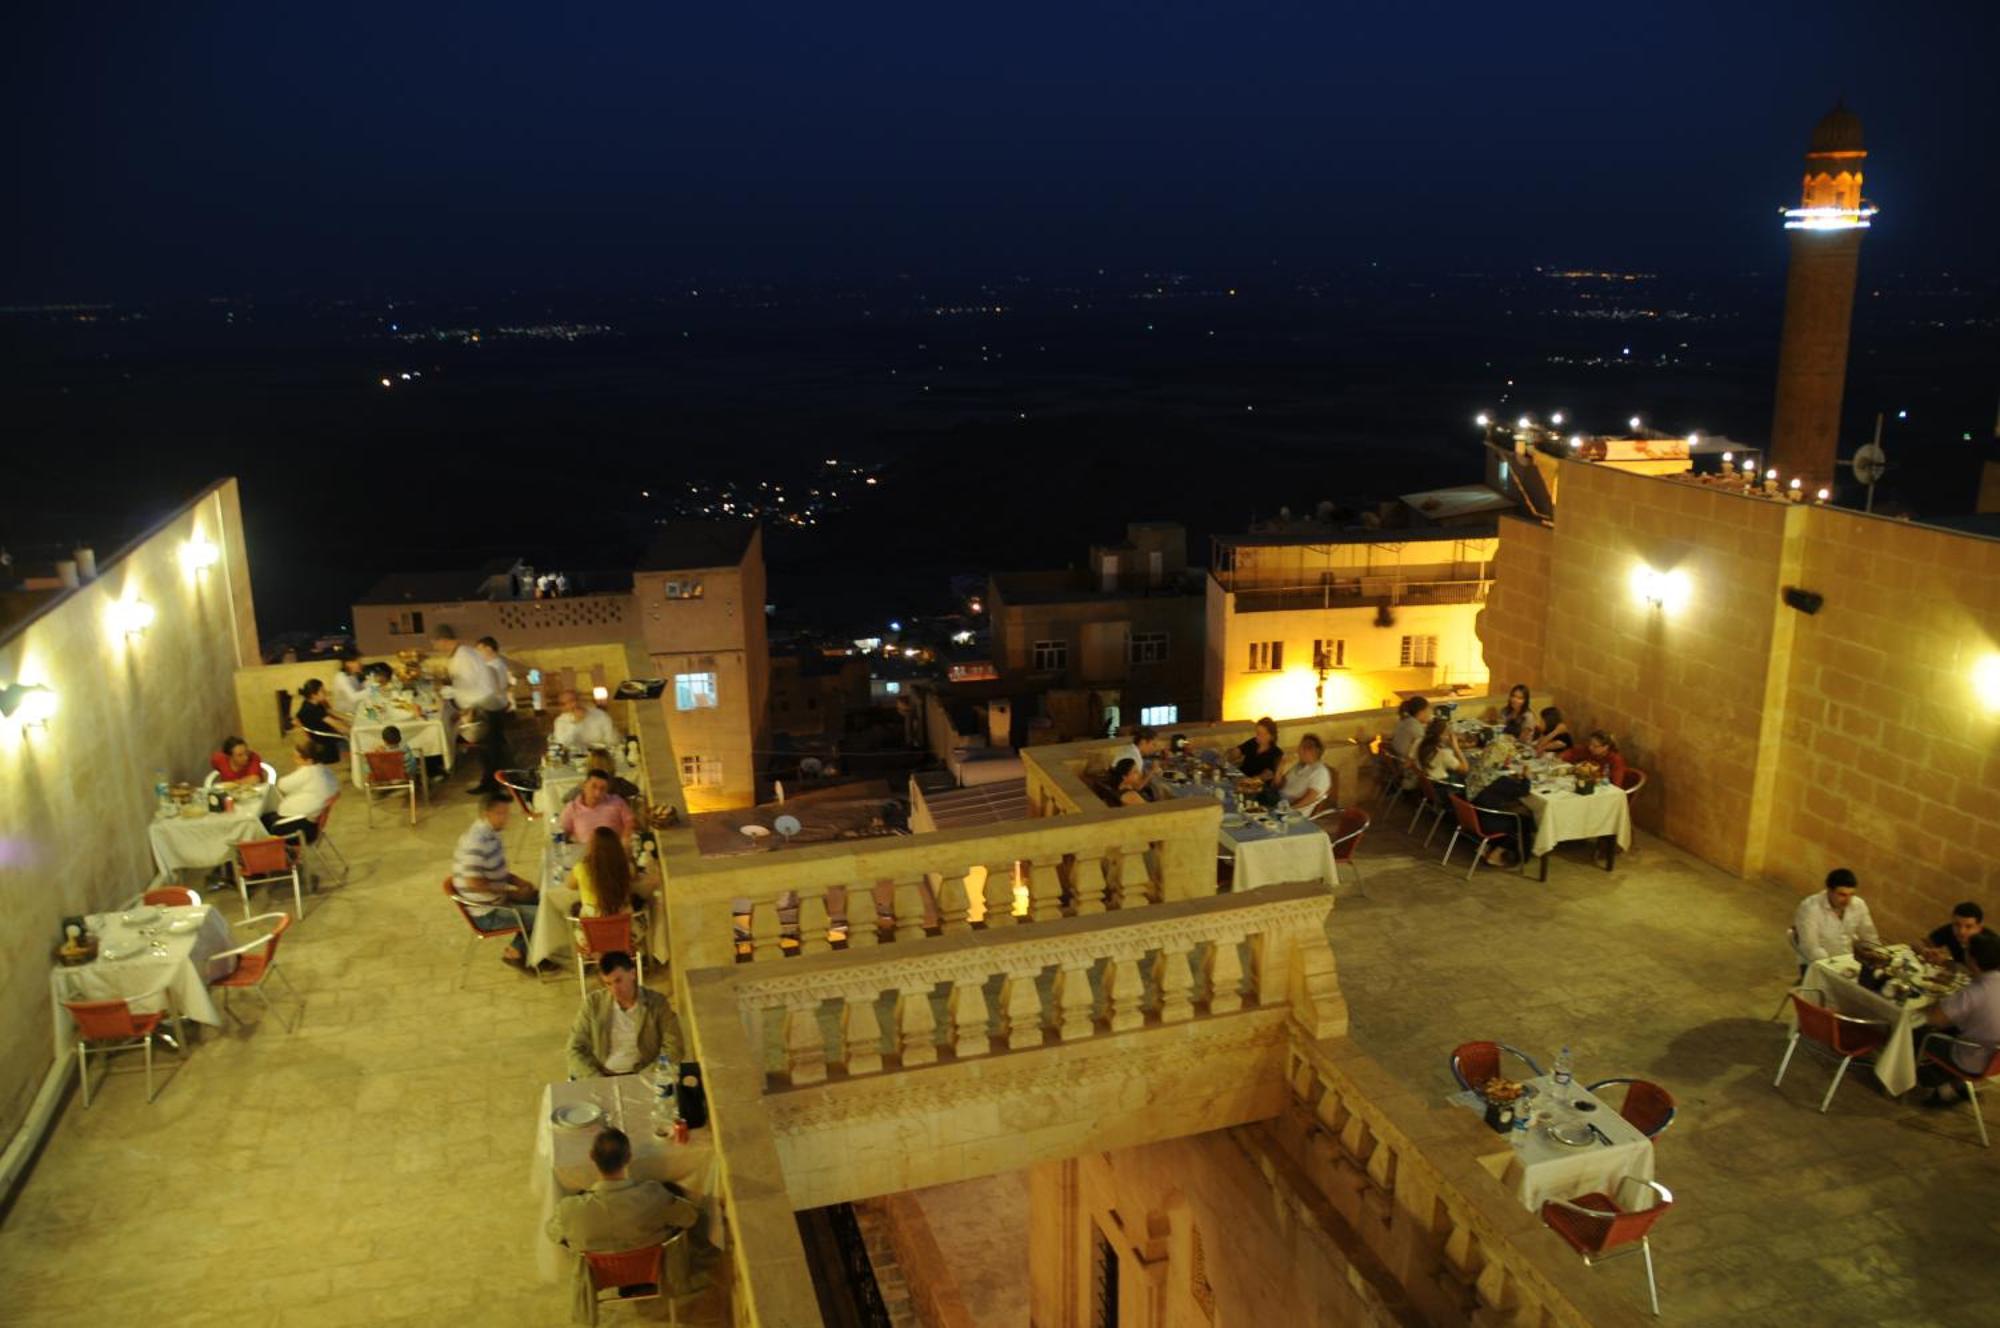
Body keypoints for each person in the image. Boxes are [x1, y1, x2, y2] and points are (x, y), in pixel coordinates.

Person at [545, 1127, 700, 1310]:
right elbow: (690, 1218)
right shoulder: (653, 1195)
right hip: (650, 1267)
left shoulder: (570, 1209)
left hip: (600, 1275)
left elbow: (553, 1233)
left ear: (592, 1156)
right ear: (629, 1158)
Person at [452, 792, 540, 968]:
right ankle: (517, 952)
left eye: (507, 813)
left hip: (496, 898)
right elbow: (474, 883)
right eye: (501, 814)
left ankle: (527, 947)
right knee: (544, 916)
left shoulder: (491, 834)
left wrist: (519, 883)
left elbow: (497, 870)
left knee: (542, 898)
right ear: (486, 814)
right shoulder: (476, 842)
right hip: (487, 912)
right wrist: (511, 894)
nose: (507, 818)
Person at [566, 951, 683, 1078]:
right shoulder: (593, 1004)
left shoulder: (656, 1003)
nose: (614, 990)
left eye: (618, 981)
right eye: (608, 983)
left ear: (632, 974)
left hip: (644, 1074)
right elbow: (574, 1048)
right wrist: (594, 1077)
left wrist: (648, 1075)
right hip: (602, 1074)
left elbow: (674, 1047)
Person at [1917, 930, 2000, 1109]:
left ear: (1973, 959)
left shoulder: (1975, 992)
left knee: (1918, 1032)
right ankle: (1956, 1086)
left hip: (1970, 1058)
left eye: (1967, 950)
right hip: (1994, 1058)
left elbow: (1935, 1019)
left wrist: (1929, 1004)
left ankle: (1932, 1084)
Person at [435, 627, 508, 793]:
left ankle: (495, 786)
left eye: (437, 643)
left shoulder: (464, 656)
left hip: (484, 705)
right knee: (489, 750)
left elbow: (469, 685)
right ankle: (491, 783)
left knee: (490, 750)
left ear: (444, 640)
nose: (437, 647)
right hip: (482, 704)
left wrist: (450, 691)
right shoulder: (461, 654)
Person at [1792, 869, 1880, 969]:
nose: (1847, 901)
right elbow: (1811, 948)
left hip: (1847, 961)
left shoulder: (1858, 904)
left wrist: (1878, 955)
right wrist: (1834, 968)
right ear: (1829, 891)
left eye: (1851, 894)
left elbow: (1869, 936)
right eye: (1842, 895)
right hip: (1815, 964)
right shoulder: (1810, 908)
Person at [263, 741, 339, 841]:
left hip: (302, 827)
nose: (294, 760)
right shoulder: (325, 770)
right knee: (268, 817)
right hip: (313, 823)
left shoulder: (307, 772)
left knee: (262, 822)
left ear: (309, 761)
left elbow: (282, 785)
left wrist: (299, 769)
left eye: (297, 757)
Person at [561, 769, 637, 848]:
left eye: (602, 789)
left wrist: (625, 838)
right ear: (584, 785)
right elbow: (563, 833)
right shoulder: (572, 808)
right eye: (593, 787)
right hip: (586, 853)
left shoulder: (616, 801)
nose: (597, 793)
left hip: (614, 850)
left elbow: (630, 822)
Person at [570, 826, 635, 917]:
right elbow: (633, 879)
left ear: (592, 847)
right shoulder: (627, 867)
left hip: (592, 923)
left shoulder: (581, 868)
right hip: (622, 924)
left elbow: (570, 885)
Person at [1922, 902, 1996, 967]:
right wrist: (1929, 951)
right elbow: (1924, 943)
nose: (1961, 931)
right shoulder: (1949, 930)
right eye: (1957, 925)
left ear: (1979, 927)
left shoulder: (1989, 944)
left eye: (1968, 927)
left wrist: (1946, 962)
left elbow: (1977, 974)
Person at [1275, 734, 1332, 815]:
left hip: (1292, 810)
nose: (1297, 751)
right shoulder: (1300, 765)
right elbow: (1278, 785)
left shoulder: (1320, 772)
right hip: (1278, 800)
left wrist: (1288, 809)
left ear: (1309, 751)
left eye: (1300, 748)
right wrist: (1280, 766)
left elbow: (1310, 798)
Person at [553, 689, 618, 753]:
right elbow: (562, 743)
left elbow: (611, 738)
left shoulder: (600, 714)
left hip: (600, 755)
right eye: (568, 703)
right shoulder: (560, 721)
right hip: (574, 757)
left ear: (580, 700)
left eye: (574, 700)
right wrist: (576, 723)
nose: (573, 704)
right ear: (563, 707)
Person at [1561, 730, 1628, 789]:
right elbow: (1571, 753)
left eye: (1595, 746)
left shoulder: (1615, 760)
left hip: (1604, 791)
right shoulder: (1588, 751)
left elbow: (1616, 785)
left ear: (1605, 747)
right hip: (1585, 785)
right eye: (1590, 744)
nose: (1590, 747)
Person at [1416, 717, 1467, 785]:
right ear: (1442, 735)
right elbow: (1465, 768)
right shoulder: (1443, 753)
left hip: (1426, 783)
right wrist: (1456, 747)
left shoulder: (1419, 742)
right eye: (1448, 732)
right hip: (1441, 787)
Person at [1236, 717, 1283, 785]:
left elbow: (1267, 774)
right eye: (1257, 733)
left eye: (1259, 733)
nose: (1257, 736)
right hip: (1240, 778)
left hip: (1256, 787)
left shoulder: (1276, 753)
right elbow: (1237, 751)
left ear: (1270, 736)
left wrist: (1250, 781)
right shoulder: (1253, 742)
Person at [1388, 697, 1430, 763]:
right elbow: (1420, 753)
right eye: (1428, 711)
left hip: (1397, 760)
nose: (1429, 714)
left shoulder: (1404, 721)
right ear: (1421, 712)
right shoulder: (1416, 727)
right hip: (1407, 765)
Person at [330, 654, 369, 719]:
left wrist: (365, 679)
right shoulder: (341, 678)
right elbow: (353, 697)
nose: (360, 663)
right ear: (348, 663)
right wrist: (373, 688)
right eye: (357, 661)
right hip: (345, 715)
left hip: (356, 711)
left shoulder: (353, 674)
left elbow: (362, 689)